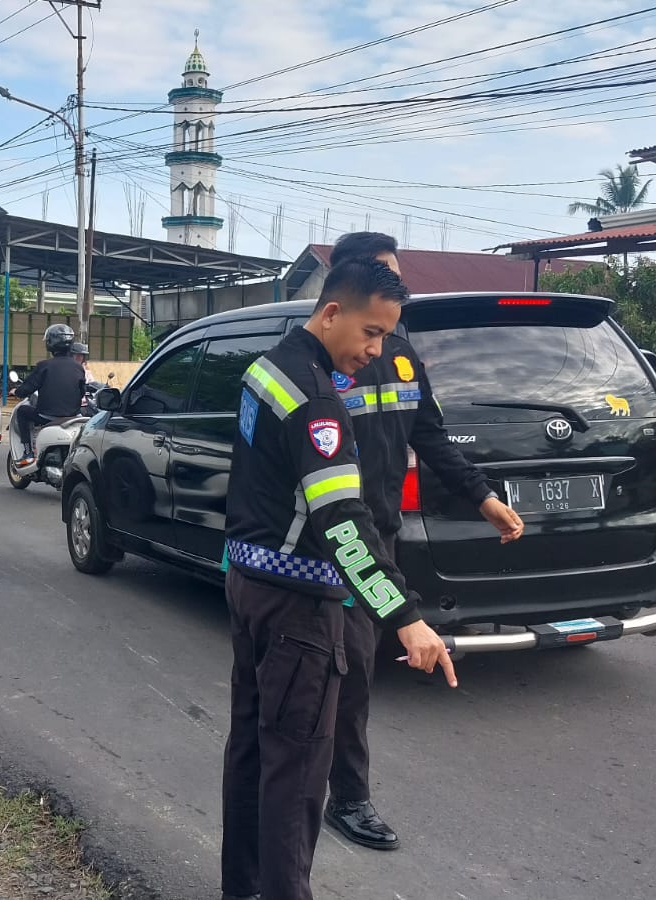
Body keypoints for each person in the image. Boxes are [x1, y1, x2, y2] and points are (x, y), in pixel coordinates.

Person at [221, 260, 456, 900]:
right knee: (296, 783)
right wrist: (405, 617)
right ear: (331, 313)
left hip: (249, 587)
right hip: (299, 609)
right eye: (372, 333)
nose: (376, 351)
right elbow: (342, 526)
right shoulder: (318, 399)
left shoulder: (266, 368)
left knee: (251, 759)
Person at [321, 233, 525, 852]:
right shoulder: (318, 360)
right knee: (333, 670)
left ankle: (342, 795)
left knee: (353, 668)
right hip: (325, 537)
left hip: (377, 531)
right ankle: (322, 795)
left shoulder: (402, 356)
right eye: (383, 280)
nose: (396, 297)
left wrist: (483, 497)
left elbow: (431, 437)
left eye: (398, 282)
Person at [10, 324, 86, 465]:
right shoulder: (78, 367)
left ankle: (28, 453)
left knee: (22, 411)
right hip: (73, 417)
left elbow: (27, 388)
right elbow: (82, 392)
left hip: (48, 417)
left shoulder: (44, 366)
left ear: (51, 343)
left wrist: (17, 391)